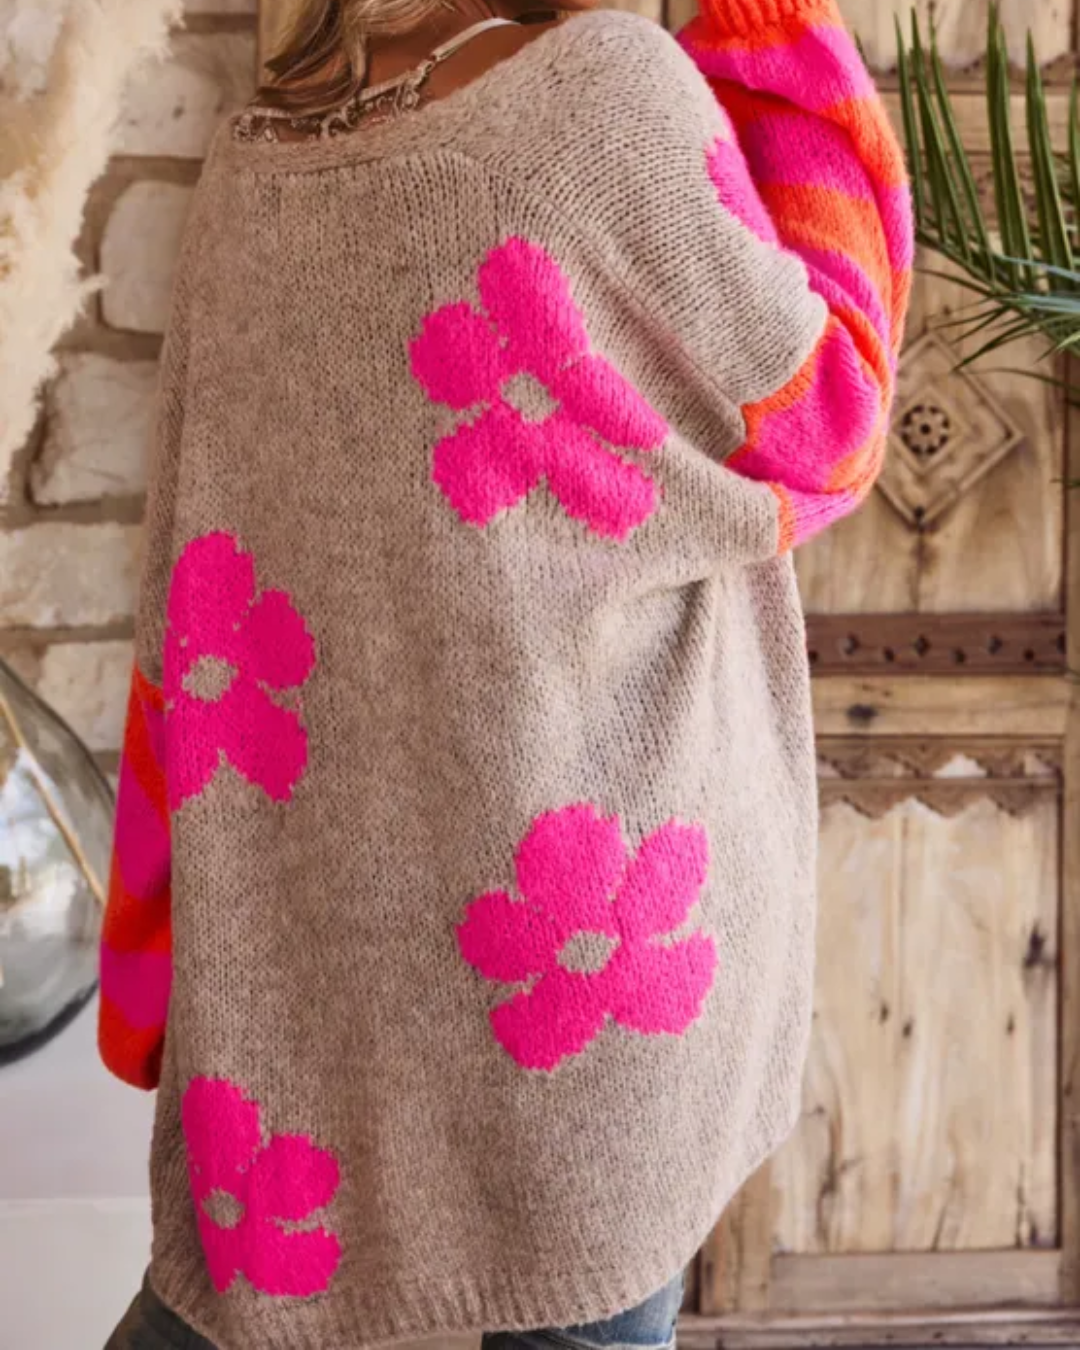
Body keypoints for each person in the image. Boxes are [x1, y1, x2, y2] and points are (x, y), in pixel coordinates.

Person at [101, 0, 912, 1345]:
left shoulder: (263, 149)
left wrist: (147, 959)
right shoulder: (602, 96)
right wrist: (769, 21)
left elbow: (181, 615)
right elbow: (830, 418)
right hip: (592, 966)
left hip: (311, 980)